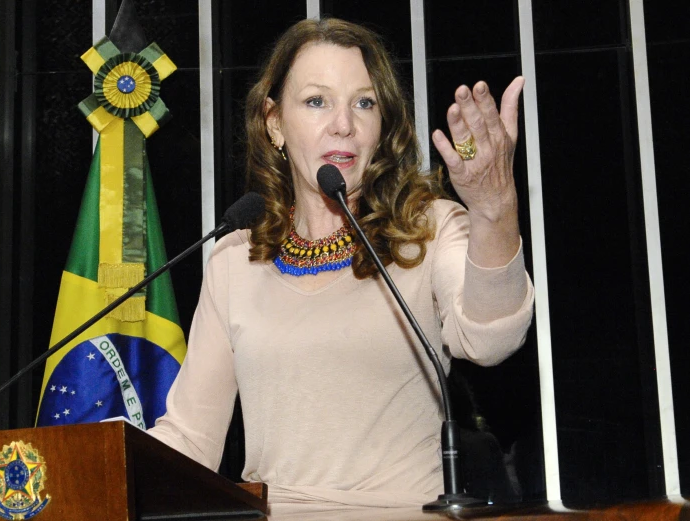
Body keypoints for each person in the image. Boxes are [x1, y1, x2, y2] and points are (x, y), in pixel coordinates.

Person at [148, 18, 534, 515]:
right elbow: (189, 437)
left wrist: (493, 207)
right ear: (274, 122)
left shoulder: (429, 229)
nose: (344, 124)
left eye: (364, 102)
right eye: (316, 101)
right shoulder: (235, 257)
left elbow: (492, 338)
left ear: (382, 126)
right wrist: (98, 473)